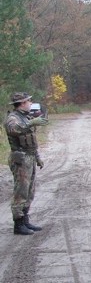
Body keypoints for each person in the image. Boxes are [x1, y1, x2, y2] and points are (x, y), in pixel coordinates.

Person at [4, 92, 48, 235]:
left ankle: (25, 220)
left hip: (29, 158)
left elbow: (31, 141)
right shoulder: (13, 118)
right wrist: (30, 123)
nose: (30, 103)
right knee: (21, 191)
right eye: (28, 101)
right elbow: (14, 129)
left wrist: (37, 157)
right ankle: (18, 224)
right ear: (22, 103)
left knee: (29, 191)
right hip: (20, 159)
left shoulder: (25, 117)